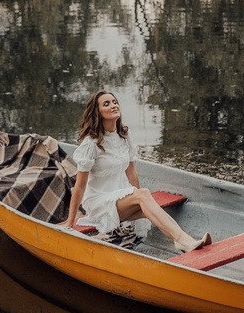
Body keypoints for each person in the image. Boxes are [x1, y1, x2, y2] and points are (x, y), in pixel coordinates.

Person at [61, 90, 211, 253]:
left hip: (121, 198)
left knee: (149, 206)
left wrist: (140, 199)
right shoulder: (91, 143)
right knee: (144, 195)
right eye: (106, 104)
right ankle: (184, 241)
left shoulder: (124, 136)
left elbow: (132, 173)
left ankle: (183, 241)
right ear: (98, 112)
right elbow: (80, 186)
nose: (113, 105)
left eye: (114, 102)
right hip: (100, 203)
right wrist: (70, 222)